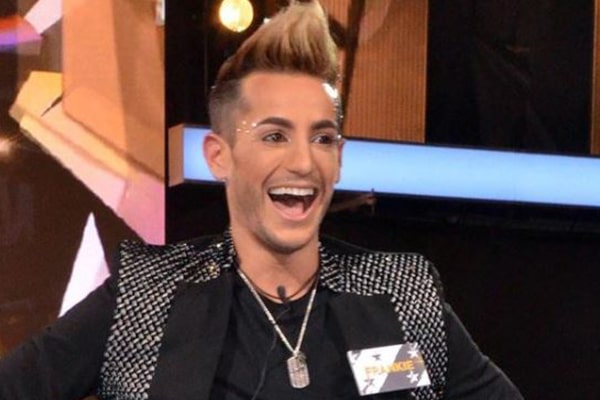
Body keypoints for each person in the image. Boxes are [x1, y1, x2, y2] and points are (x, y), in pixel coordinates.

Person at [0, 1, 523, 399]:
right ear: (219, 156)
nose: (303, 162)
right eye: (274, 136)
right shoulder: (147, 294)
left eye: (322, 138)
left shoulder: (400, 293)